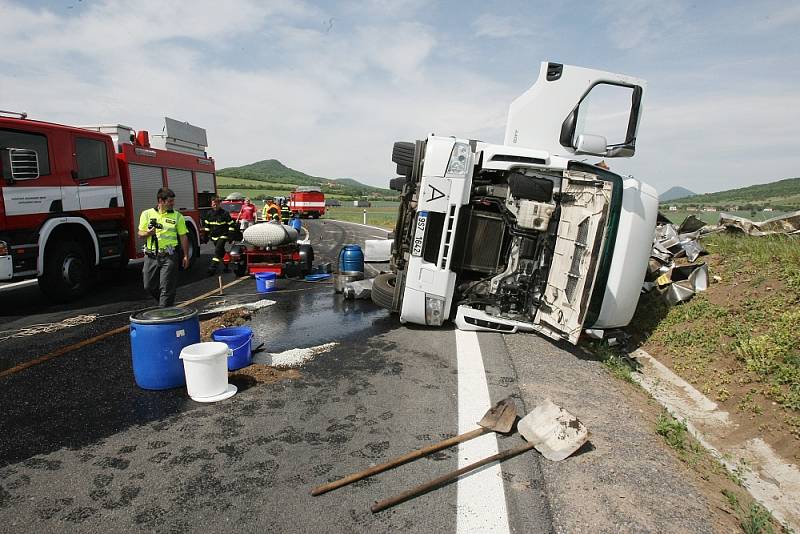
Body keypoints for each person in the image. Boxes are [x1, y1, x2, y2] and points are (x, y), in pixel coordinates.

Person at [137, 187, 190, 307]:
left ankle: (164, 312)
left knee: (166, 288)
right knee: (149, 286)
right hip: (151, 256)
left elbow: (183, 236)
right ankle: (167, 306)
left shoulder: (177, 216)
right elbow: (140, 234)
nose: (173, 203)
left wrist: (186, 256)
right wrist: (148, 233)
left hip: (169, 256)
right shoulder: (147, 214)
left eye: (173, 201)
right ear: (161, 201)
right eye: (170, 201)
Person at [202, 196, 235, 276]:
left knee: (217, 251)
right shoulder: (209, 214)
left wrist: (230, 236)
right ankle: (226, 266)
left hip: (223, 235)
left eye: (217, 204)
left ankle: (212, 268)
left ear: (219, 204)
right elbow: (207, 226)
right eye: (213, 204)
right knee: (222, 252)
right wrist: (205, 236)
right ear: (211, 204)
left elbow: (231, 225)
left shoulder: (225, 213)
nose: (215, 205)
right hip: (213, 237)